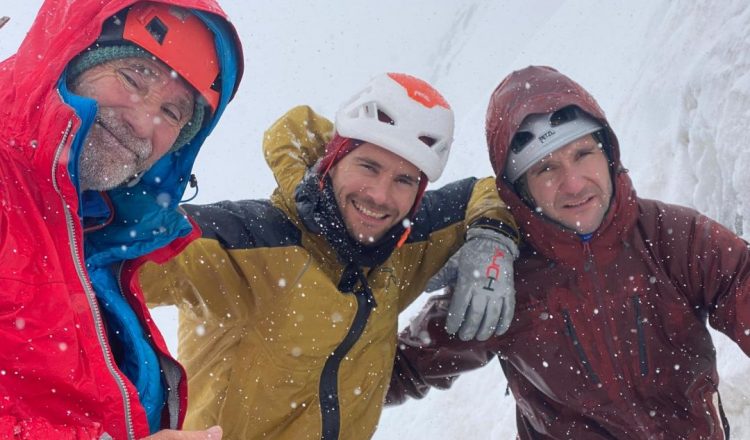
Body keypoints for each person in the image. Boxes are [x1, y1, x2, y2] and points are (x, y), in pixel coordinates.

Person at [141, 72, 520, 439]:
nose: (379, 195)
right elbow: (100, 259)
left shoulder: (399, 247)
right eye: (368, 166)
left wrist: (492, 241)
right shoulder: (250, 244)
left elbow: (485, 193)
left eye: (404, 180)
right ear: (333, 160)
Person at [386, 65, 750, 439]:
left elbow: (743, 283)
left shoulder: (673, 237)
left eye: (582, 153)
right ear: (520, 189)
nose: (574, 184)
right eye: (546, 168)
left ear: (607, 152)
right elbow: (391, 371)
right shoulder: (503, 278)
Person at [0, 0, 243, 438]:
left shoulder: (98, 234)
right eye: (132, 77)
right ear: (68, 57)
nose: (143, 121)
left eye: (173, 113)